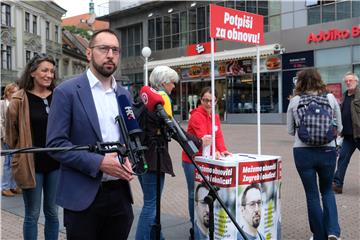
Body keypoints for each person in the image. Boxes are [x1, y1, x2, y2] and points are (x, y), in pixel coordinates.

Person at [46, 29, 134, 240]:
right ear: (88, 53)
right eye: (103, 48)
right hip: (82, 196)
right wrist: (99, 162)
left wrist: (128, 156)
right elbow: (55, 144)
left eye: (115, 50)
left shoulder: (124, 94)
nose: (110, 55)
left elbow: (128, 138)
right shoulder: (66, 92)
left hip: (120, 194)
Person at [135, 65, 203, 240]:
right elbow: (173, 128)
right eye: (173, 83)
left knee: (151, 204)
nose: (174, 87)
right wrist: (198, 142)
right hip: (154, 159)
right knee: (151, 206)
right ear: (165, 82)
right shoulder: (161, 99)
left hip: (141, 157)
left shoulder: (143, 98)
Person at [5, 54, 60, 239]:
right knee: (33, 214)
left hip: (56, 163)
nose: (49, 75)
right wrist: (18, 154)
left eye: (52, 71)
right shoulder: (19, 99)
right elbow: (10, 134)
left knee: (52, 212)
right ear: (32, 72)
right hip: (30, 164)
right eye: (44, 70)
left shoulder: (59, 96)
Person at [287, 69, 342, 240]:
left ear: (300, 82)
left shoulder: (295, 100)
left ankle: (319, 236)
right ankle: (333, 231)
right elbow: (339, 128)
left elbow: (290, 130)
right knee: (327, 191)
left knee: (312, 195)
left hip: (303, 153)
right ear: (319, 80)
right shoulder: (330, 98)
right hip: (327, 151)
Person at [181, 86, 231, 239]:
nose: (208, 103)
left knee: (206, 193)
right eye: (205, 100)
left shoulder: (215, 117)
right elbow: (205, 137)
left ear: (216, 101)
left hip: (207, 160)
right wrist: (215, 150)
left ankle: (205, 224)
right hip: (192, 160)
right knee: (193, 193)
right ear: (200, 100)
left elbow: (218, 136)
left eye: (211, 100)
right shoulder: (196, 115)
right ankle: (193, 225)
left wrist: (223, 150)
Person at [333, 72, 360, 194]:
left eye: (351, 80)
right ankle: (338, 185)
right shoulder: (344, 96)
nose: (348, 83)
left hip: (359, 134)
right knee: (342, 159)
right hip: (348, 136)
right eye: (346, 81)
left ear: (356, 81)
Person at [1, 83, 20, 197]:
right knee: (8, 162)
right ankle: (5, 187)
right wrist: (4, 137)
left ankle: (13, 186)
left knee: (15, 161)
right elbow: (0, 122)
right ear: (7, 92)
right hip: (6, 137)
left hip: (16, 137)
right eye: (13, 92)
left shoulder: (17, 104)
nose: (15, 94)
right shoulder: (2, 104)